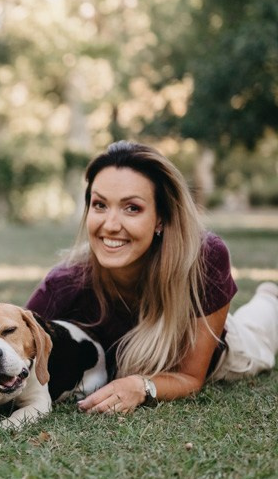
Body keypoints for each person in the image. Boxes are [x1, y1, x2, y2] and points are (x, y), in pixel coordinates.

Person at [24, 140, 278, 413]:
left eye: (132, 208)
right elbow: (11, 343)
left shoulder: (203, 257)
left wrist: (142, 386)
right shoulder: (65, 283)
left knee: (261, 331)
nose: (110, 225)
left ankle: (270, 298)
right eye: (99, 205)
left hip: (227, 351)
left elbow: (191, 377)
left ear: (161, 218)